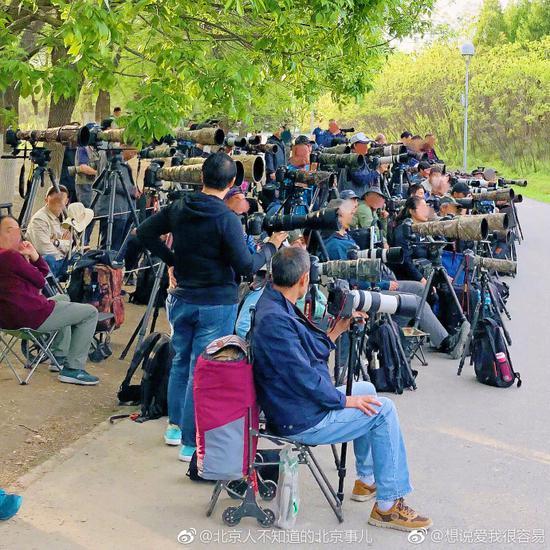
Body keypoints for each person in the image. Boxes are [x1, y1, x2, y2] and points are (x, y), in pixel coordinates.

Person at [251, 247, 432, 532]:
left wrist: (336, 331)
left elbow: (302, 356)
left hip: (294, 402)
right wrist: (344, 400)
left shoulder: (273, 302)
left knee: (369, 389)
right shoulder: (275, 319)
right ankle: (388, 506)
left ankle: (367, 480)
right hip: (298, 417)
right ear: (304, 279)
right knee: (384, 410)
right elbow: (304, 378)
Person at [136, 152, 287, 461]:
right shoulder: (226, 219)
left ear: (201, 176)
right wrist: (271, 246)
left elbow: (144, 232)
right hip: (216, 303)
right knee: (200, 369)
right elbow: (247, 266)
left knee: (181, 361)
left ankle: (175, 428)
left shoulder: (180, 206)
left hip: (183, 299)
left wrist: (172, 260)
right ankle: (191, 443)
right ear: (232, 183)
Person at [0, 216, 99, 385]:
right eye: (17, 230)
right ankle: (73, 369)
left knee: (63, 298)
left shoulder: (8, 257)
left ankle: (59, 356)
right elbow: (41, 279)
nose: (21, 235)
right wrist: (34, 255)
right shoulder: (10, 257)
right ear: (9, 232)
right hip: (30, 317)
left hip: (6, 320)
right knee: (90, 313)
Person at [26, 185, 71, 278]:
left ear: (66, 201)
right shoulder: (39, 219)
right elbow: (44, 250)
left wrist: (56, 242)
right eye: (56, 200)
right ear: (46, 200)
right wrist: (64, 248)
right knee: (48, 259)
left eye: (61, 201)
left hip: (61, 259)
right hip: (45, 262)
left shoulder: (66, 216)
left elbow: (72, 244)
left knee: (83, 258)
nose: (59, 204)